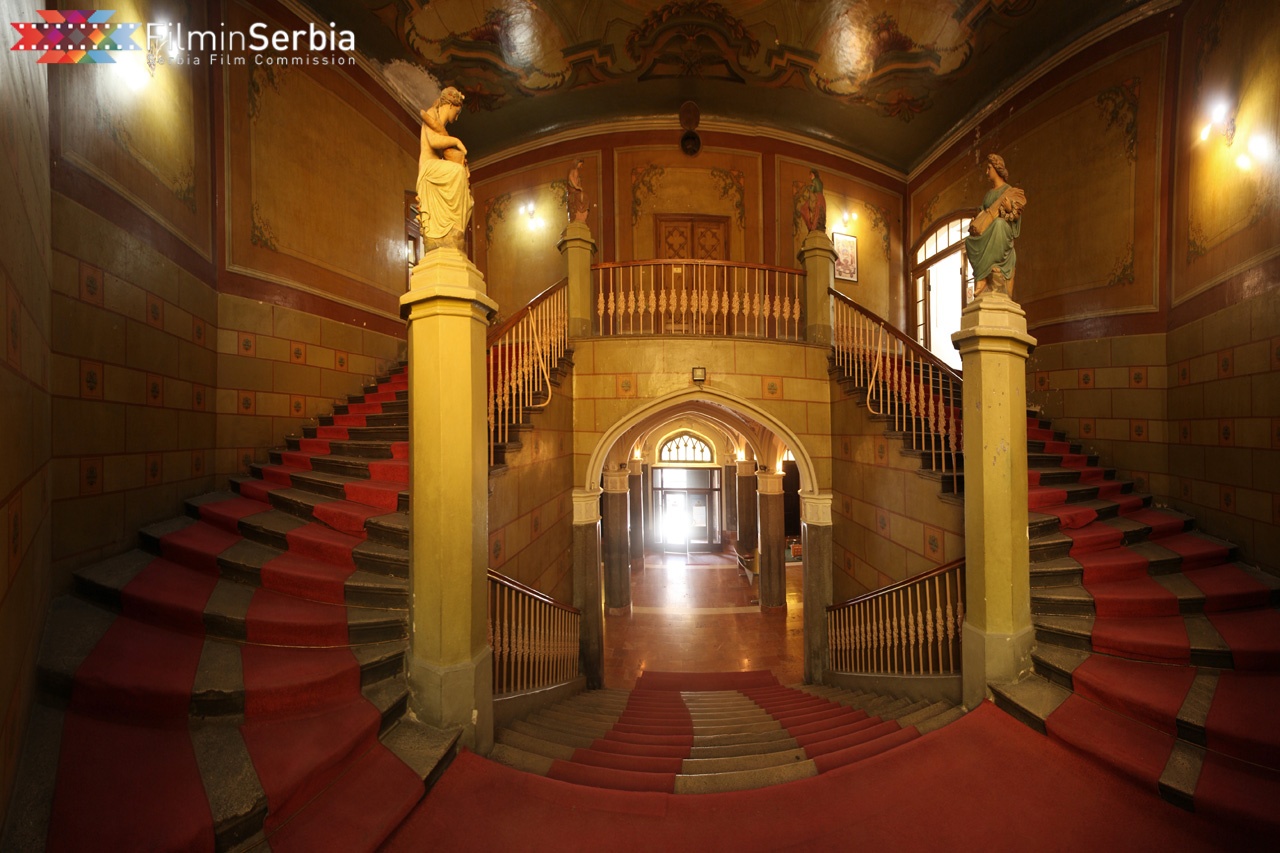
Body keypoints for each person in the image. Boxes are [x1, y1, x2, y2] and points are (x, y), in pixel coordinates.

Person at [416, 87, 473, 253]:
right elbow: (433, 141)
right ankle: (448, 229)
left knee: (466, 190)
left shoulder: (440, 123)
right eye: (457, 111)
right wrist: (455, 141)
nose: (456, 116)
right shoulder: (431, 113)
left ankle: (454, 229)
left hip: (437, 167)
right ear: (449, 105)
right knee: (457, 172)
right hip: (428, 168)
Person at [964, 153, 1025, 297]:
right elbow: (982, 214)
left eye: (989, 168)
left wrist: (1010, 209)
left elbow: (1016, 216)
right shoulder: (988, 195)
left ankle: (985, 274)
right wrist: (975, 221)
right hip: (988, 230)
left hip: (1002, 231)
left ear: (997, 169)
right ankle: (982, 276)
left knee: (998, 223)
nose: (987, 172)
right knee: (969, 241)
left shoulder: (1009, 190)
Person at [566, 159, 589, 223]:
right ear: (577, 163)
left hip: (576, 190)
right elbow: (571, 178)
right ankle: (579, 213)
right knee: (582, 196)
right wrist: (576, 187)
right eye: (580, 164)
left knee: (584, 197)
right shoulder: (573, 170)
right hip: (573, 190)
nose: (581, 166)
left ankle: (582, 214)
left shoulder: (576, 171)